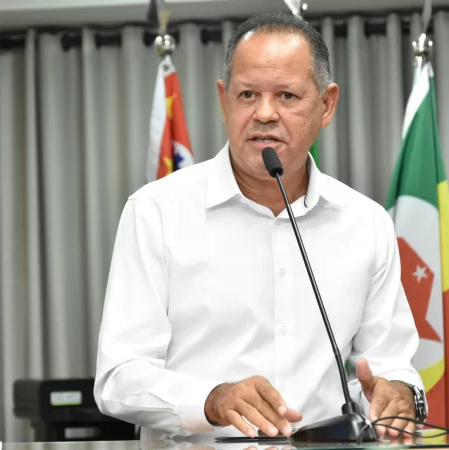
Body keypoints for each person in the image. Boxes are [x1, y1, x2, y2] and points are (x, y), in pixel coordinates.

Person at [94, 12, 426, 441]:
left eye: (287, 96)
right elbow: (119, 378)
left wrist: (398, 393)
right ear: (224, 100)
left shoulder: (366, 223)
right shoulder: (156, 212)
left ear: (326, 105)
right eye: (247, 94)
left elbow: (389, 364)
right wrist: (210, 400)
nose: (264, 113)